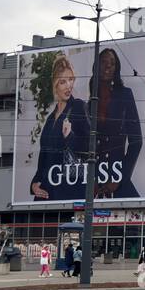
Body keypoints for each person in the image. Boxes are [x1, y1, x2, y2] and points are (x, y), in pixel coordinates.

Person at [30, 54, 89, 202]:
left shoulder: (78, 106)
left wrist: (70, 136)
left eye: (71, 80)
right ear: (55, 85)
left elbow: (90, 147)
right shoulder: (50, 118)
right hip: (47, 190)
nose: (69, 85)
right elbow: (44, 156)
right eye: (63, 81)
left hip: (70, 189)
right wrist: (34, 184)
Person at [90, 48, 144, 199]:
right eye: (104, 62)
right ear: (97, 66)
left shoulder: (125, 94)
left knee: (138, 218)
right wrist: (90, 180)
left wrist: (120, 177)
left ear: (116, 68)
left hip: (117, 175)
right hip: (94, 181)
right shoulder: (90, 102)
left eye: (112, 63)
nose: (108, 66)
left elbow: (136, 141)